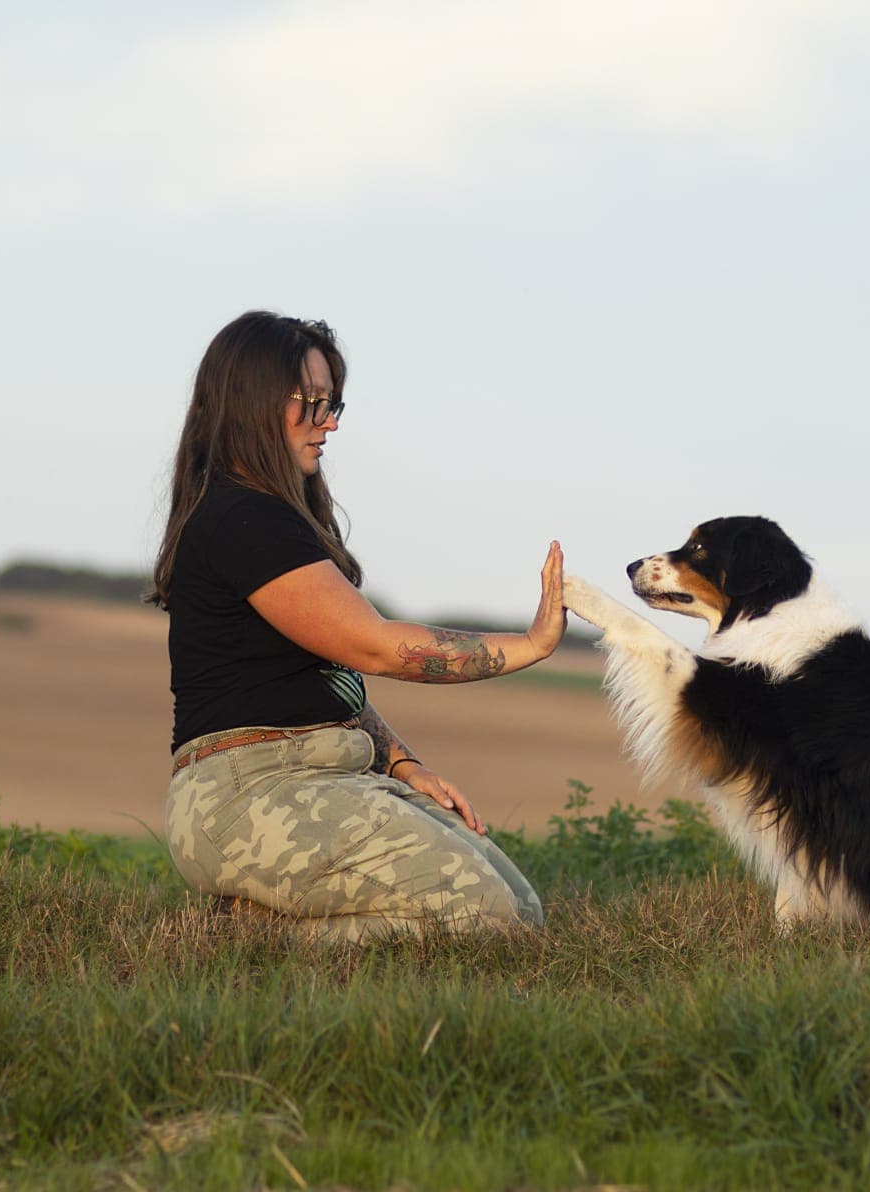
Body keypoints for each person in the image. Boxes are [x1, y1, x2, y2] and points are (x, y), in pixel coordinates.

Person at [149, 311, 561, 941]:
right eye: (310, 404)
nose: (330, 423)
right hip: (243, 795)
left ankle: (267, 916)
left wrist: (400, 764)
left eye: (332, 402)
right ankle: (247, 939)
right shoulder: (241, 519)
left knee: (522, 915)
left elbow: (320, 682)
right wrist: (528, 646)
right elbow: (376, 647)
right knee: (486, 919)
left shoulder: (270, 519)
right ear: (252, 404)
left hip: (315, 774)